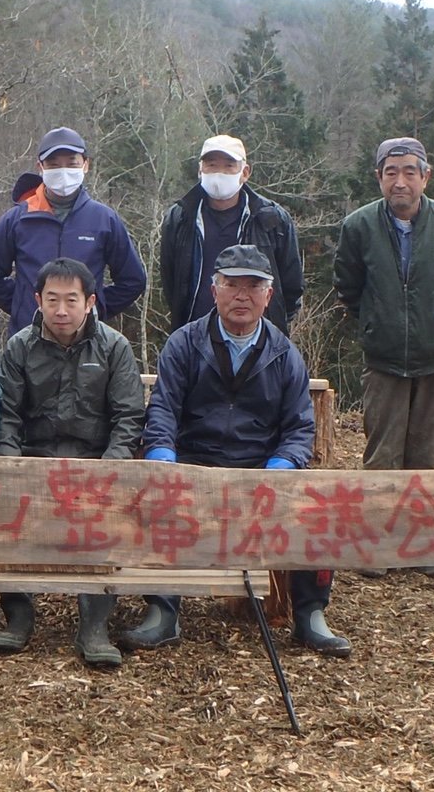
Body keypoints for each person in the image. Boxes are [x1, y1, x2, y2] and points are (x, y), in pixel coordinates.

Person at [135, 244, 351, 658]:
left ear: (268, 296)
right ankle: (162, 611)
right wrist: (162, 454)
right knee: (154, 494)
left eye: (253, 286)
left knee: (320, 505)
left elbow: (299, 428)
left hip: (261, 468)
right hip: (194, 463)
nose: (241, 295)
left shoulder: (285, 354)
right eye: (231, 284)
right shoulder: (184, 343)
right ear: (214, 290)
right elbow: (162, 408)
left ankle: (310, 616)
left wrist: (280, 467)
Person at [333, 137, 434, 579]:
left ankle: (426, 544)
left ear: (426, 176)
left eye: (409, 172)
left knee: (429, 452)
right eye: (391, 172)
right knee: (382, 453)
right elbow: (349, 285)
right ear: (378, 177)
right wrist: (377, 325)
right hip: (382, 358)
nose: (401, 181)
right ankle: (376, 544)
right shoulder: (359, 226)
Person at [0, 257, 145, 667]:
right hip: (35, 459)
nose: (61, 310)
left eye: (71, 300)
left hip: (94, 462)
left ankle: (94, 624)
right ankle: (18, 616)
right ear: (37, 300)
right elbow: (6, 414)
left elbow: (129, 417)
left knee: (104, 522)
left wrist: (111, 467)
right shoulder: (20, 346)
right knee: (11, 511)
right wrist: (10, 463)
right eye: (52, 299)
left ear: (90, 301)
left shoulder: (114, 347)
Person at [0, 126, 147, 338]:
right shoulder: (18, 219)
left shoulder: (104, 219)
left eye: (71, 163)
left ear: (85, 165)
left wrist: (97, 306)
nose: (63, 171)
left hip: (87, 342)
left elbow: (133, 280)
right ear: (40, 167)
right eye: (54, 165)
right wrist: (22, 304)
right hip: (29, 340)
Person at [160, 134, 303, 335]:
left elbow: (291, 286)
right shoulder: (179, 218)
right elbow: (171, 282)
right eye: (211, 165)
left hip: (258, 342)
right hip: (194, 338)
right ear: (200, 170)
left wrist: (269, 324)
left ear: (245, 172)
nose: (219, 173)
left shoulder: (272, 220)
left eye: (229, 166)